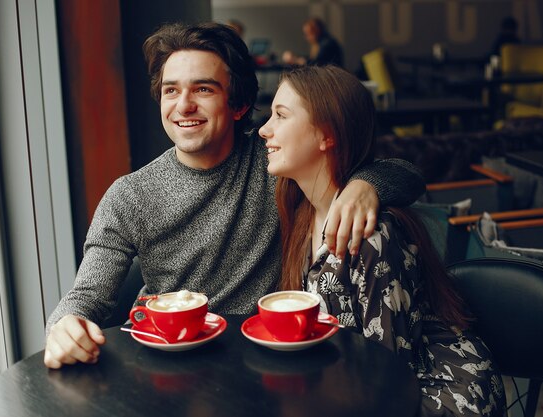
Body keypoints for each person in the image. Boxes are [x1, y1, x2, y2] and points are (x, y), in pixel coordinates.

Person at [43, 22, 425, 369]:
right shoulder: (129, 196)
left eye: (203, 89)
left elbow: (407, 174)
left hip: (266, 364)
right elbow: (87, 295)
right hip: (173, 365)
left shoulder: (276, 164)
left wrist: (366, 184)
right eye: (170, 90)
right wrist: (63, 326)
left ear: (239, 105)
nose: (183, 106)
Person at [258, 65, 506, 417]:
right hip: (358, 385)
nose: (265, 130)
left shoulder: (370, 236)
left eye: (281, 116)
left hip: (438, 394)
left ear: (327, 135)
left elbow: (389, 374)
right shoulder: (298, 209)